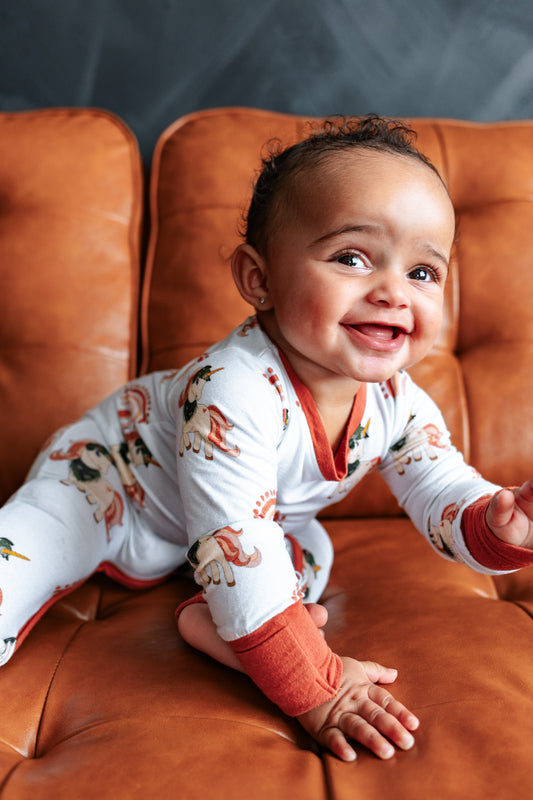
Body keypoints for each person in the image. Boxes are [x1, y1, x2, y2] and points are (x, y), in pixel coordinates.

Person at [3, 116, 533, 764]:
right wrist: (318, 690)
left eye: (423, 271)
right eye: (352, 257)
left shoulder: (396, 402)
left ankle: (212, 620)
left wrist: (496, 524)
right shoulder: (232, 388)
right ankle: (222, 608)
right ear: (258, 280)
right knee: (21, 556)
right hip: (114, 481)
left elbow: (438, 485)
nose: (394, 290)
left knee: (308, 554)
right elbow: (242, 546)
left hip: (228, 527)